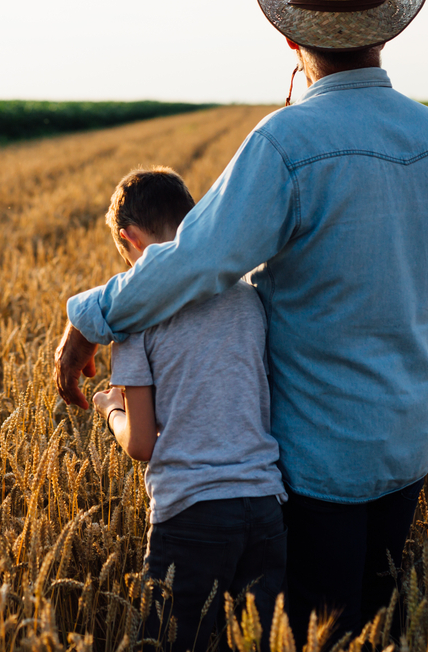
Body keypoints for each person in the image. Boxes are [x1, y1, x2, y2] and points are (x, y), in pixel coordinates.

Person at [53, 0, 428, 642]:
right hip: (406, 449)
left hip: (315, 468)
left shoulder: (288, 145)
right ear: (382, 34)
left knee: (305, 635)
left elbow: (194, 263)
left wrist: (91, 317)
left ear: (293, 42)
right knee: (373, 629)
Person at [88, 166, 286, 652]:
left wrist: (112, 409)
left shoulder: (136, 317)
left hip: (190, 516)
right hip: (265, 508)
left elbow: (140, 444)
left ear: (127, 237)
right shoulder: (247, 297)